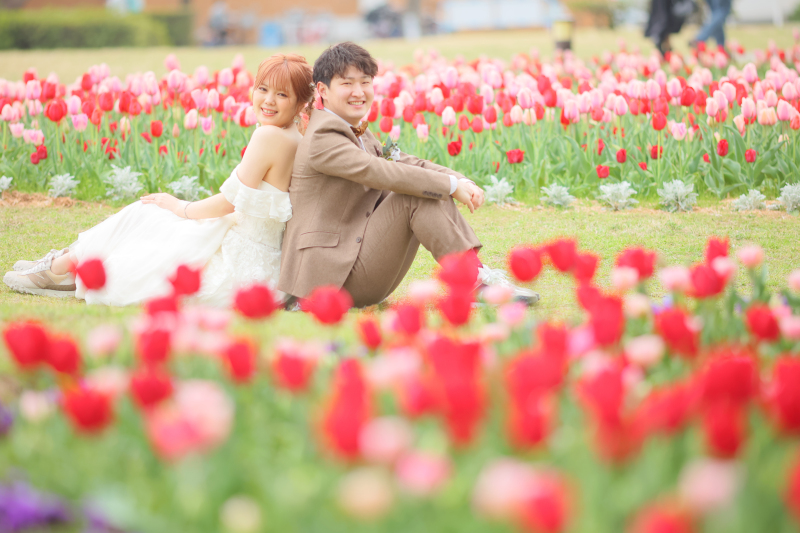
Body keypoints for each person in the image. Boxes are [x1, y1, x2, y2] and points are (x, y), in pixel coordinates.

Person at [4, 54, 314, 307]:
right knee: (149, 218)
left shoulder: (269, 135)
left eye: (282, 94)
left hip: (239, 259)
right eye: (263, 89)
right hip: (263, 262)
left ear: (301, 103)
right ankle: (64, 266)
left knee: (151, 214)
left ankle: (59, 269)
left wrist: (179, 206)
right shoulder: (294, 134)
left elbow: (228, 202)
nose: (268, 101)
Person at [278, 42, 538, 308]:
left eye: (365, 82)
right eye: (347, 84)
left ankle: (476, 278)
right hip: (331, 281)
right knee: (414, 196)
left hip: (351, 261)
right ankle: (474, 284)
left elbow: (402, 160)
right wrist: (449, 186)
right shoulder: (324, 138)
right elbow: (381, 172)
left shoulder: (350, 127)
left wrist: (459, 180)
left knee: (424, 189)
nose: (359, 92)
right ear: (323, 90)